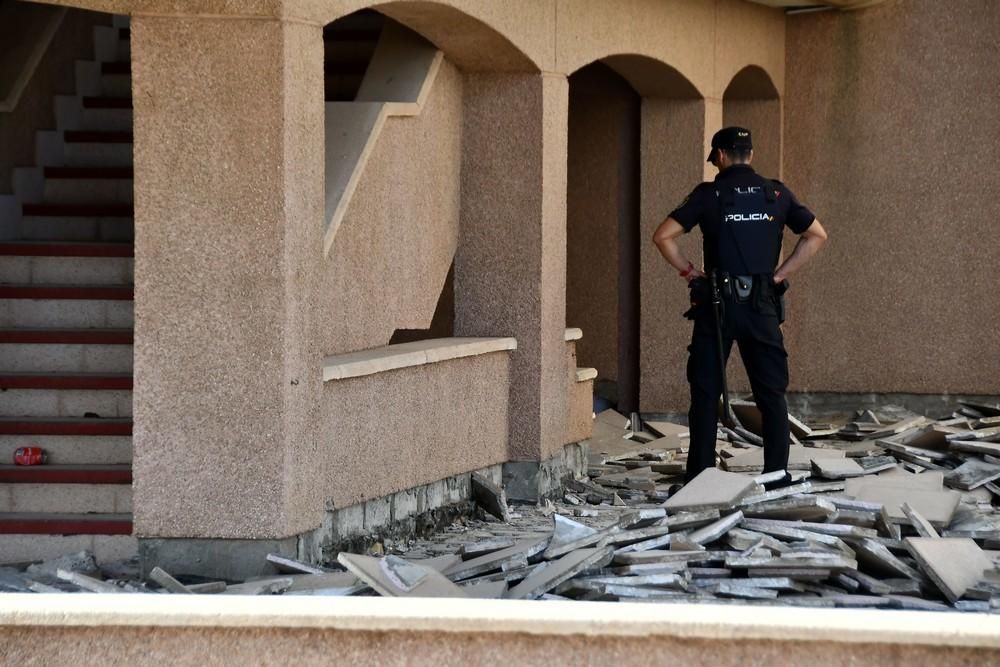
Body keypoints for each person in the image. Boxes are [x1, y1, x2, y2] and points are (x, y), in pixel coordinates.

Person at [652, 126, 828, 488]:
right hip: (762, 303)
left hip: (718, 305)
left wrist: (689, 272)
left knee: (705, 392)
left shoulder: (709, 194)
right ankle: (776, 476)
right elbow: (816, 235)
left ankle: (701, 479)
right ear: (751, 154)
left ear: (719, 156)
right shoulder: (775, 193)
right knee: (771, 393)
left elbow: (663, 236)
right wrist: (778, 276)